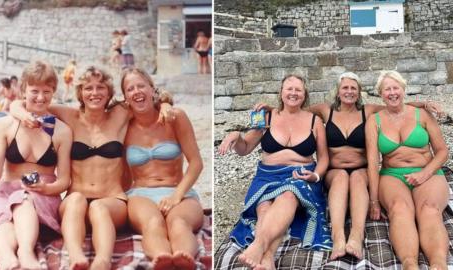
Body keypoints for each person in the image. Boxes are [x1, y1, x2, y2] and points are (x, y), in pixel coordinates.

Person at [254, 72, 442, 260]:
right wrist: (271, 109)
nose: (349, 91)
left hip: (361, 168)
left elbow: (396, 105)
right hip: (334, 170)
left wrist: (423, 104)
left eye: (353, 88)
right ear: (337, 91)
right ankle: (338, 238)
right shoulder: (325, 110)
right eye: (345, 87)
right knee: (342, 177)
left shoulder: (367, 111)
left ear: (359, 93)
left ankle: (356, 237)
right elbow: (295, 109)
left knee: (358, 177)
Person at [10, 66, 174, 269]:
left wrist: (165, 104)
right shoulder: (68, 115)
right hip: (75, 203)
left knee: (99, 207)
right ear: (80, 92)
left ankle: (102, 261)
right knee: (76, 199)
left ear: (109, 92)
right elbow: (26, 102)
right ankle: (77, 258)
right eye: (88, 88)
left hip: (113, 201)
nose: (95, 93)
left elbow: (149, 97)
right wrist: (19, 112)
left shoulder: (120, 114)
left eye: (100, 88)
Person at [219, 74, 331, 270]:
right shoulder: (267, 117)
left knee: (288, 196)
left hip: (299, 175)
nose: (293, 93)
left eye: (298, 90)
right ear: (281, 92)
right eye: (289, 89)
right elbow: (244, 149)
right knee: (263, 206)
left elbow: (324, 158)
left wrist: (315, 176)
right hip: (267, 175)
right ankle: (267, 259)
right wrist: (236, 136)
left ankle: (258, 246)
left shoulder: (315, 122)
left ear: (305, 95)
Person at [0, 60, 72, 269]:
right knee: (3, 219)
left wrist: (47, 188)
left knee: (23, 198)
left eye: (47, 91)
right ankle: (6, 258)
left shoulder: (61, 131)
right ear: (23, 90)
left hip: (45, 195)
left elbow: (65, 180)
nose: (40, 97)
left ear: (54, 91)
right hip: (6, 190)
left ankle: (26, 253)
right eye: (34, 91)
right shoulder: (4, 124)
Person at [122, 67, 204, 270]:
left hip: (179, 190)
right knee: (152, 223)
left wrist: (177, 195)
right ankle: (162, 259)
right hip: (141, 193)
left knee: (179, 224)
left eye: (141, 86)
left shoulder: (175, 117)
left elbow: (196, 162)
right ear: (125, 97)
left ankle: (183, 258)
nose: (136, 91)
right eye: (130, 88)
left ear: (152, 89)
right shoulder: (123, 124)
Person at [366, 71, 449, 270]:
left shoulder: (422, 114)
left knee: (428, 209)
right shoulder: (374, 121)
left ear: (404, 90)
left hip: (427, 171)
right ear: (380, 94)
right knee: (399, 209)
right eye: (387, 89)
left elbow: (442, 151)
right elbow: (372, 163)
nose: (392, 93)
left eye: (396, 88)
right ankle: (409, 264)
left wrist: (424, 173)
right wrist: (374, 201)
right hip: (392, 174)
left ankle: (438, 263)